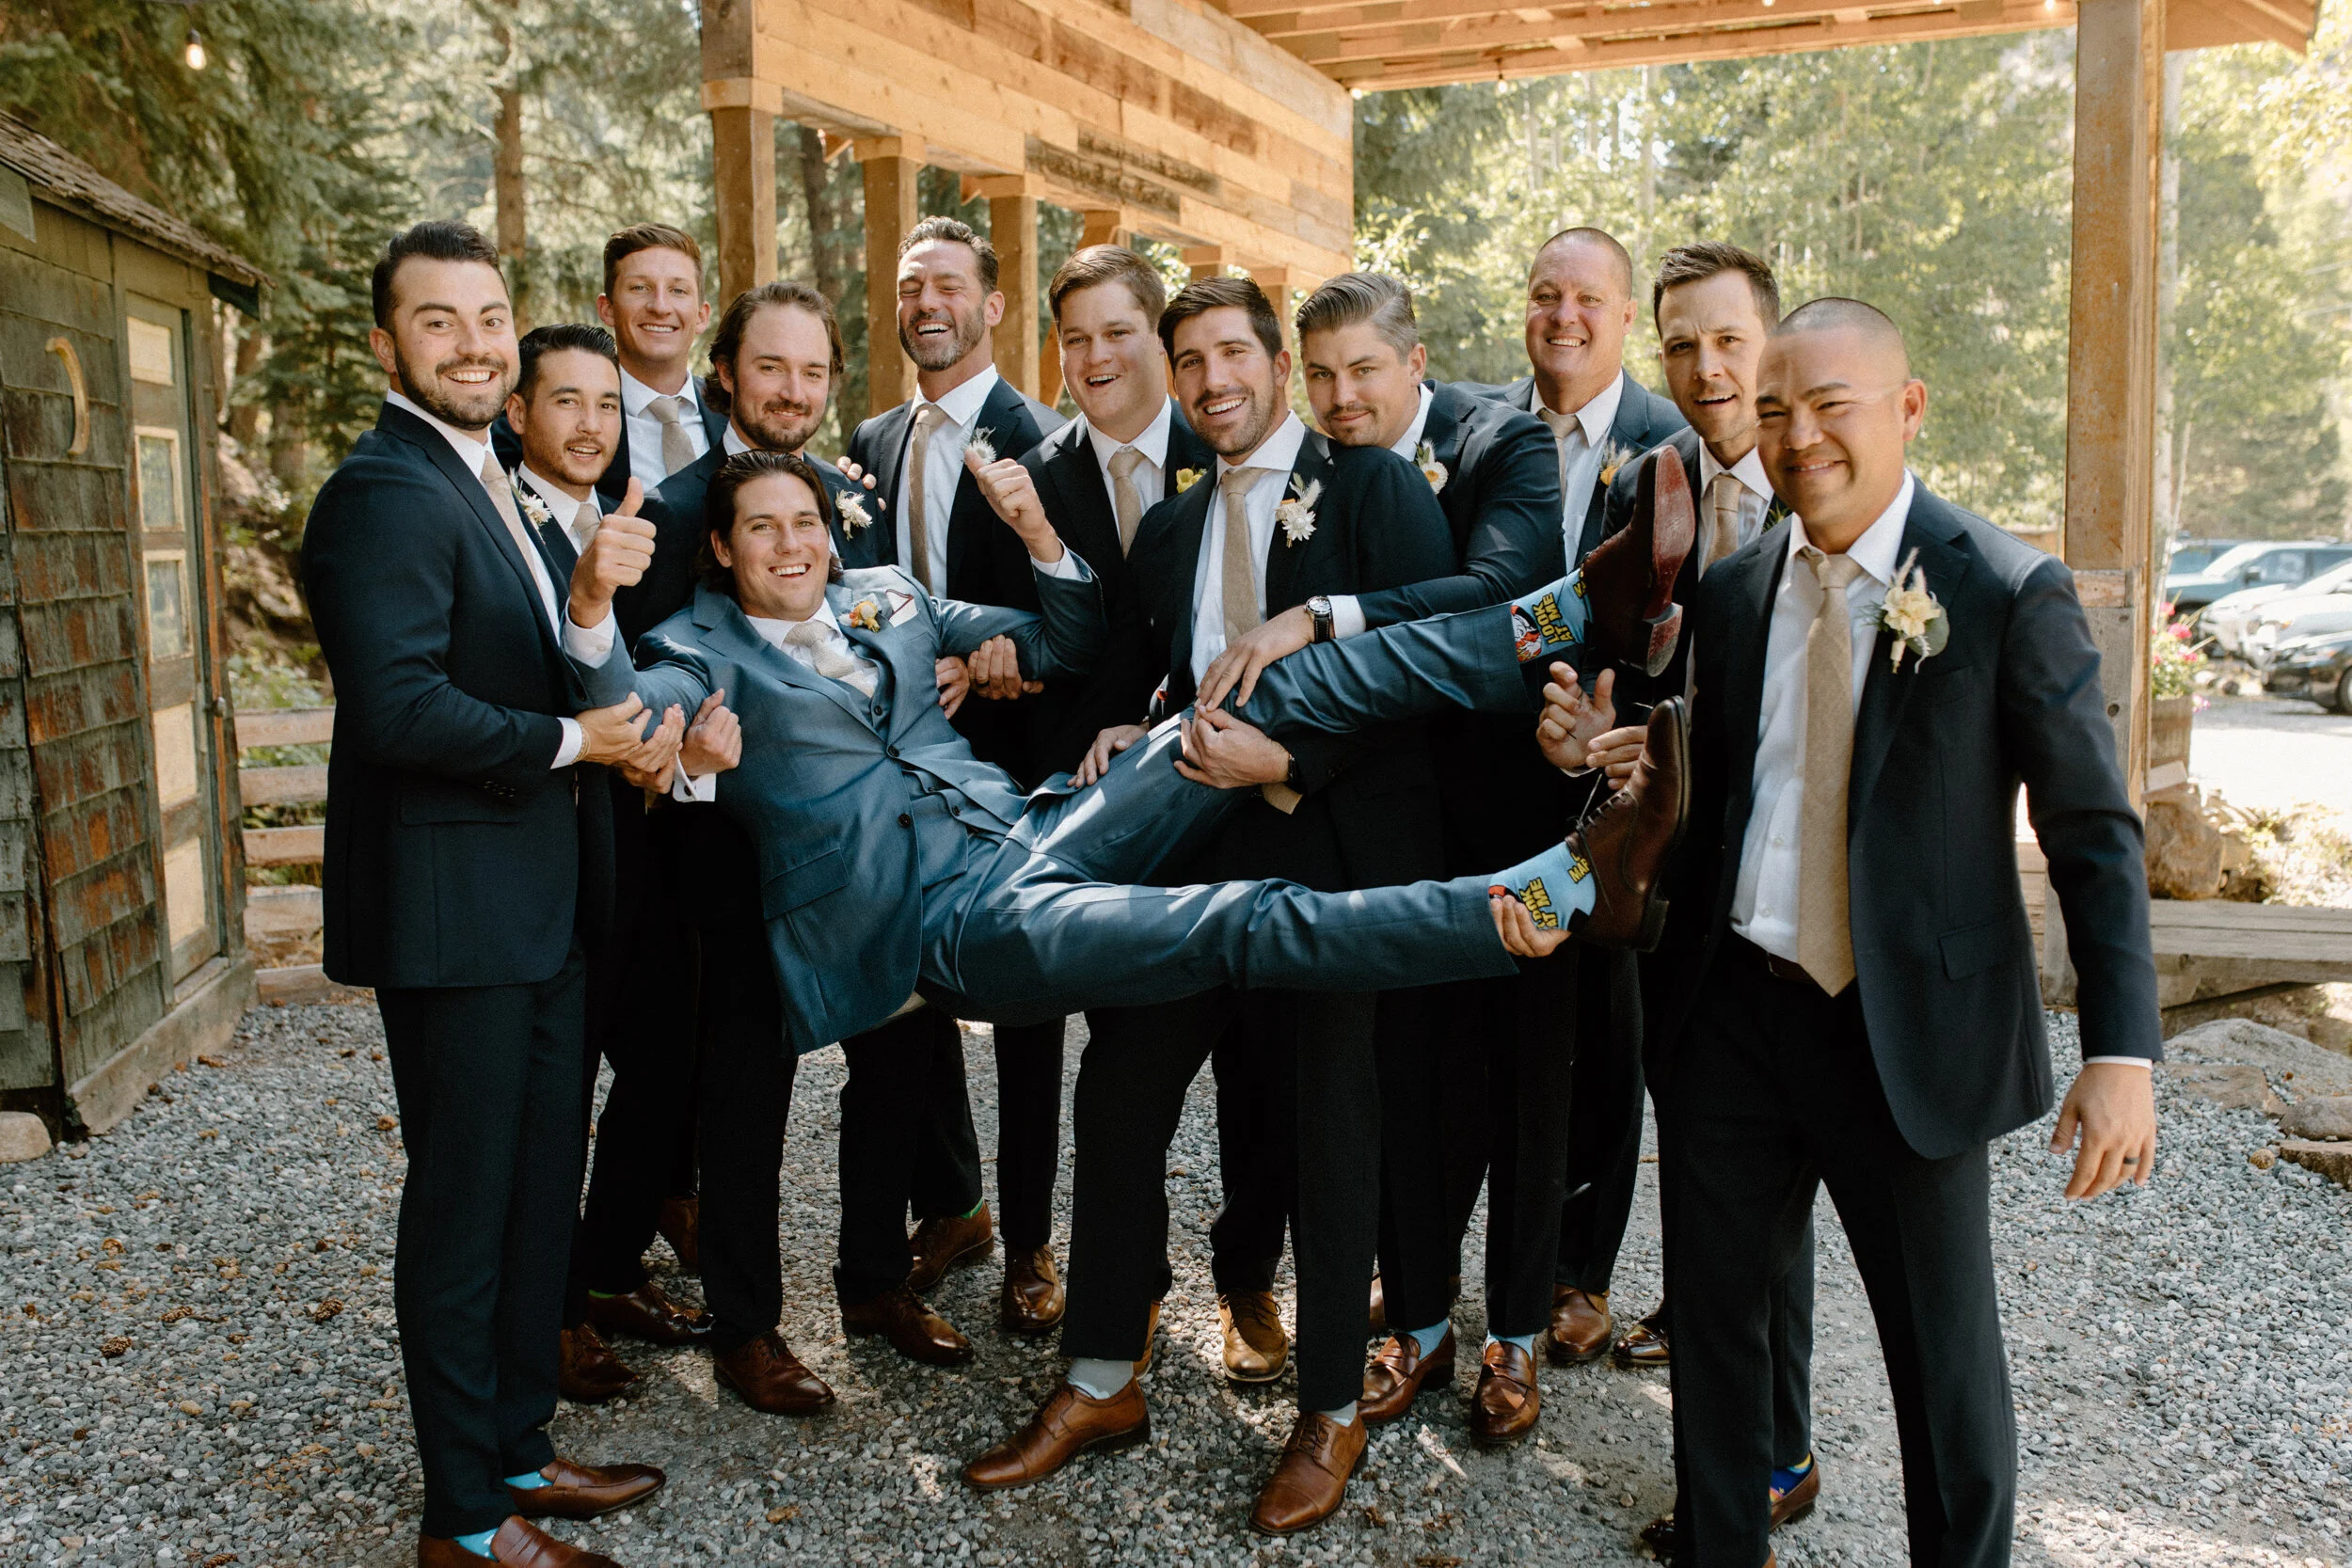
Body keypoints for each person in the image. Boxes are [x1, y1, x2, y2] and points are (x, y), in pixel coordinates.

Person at [1571, 297, 2160, 1568]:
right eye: (1775, 411)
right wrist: (1622, 771)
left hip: (1905, 1032)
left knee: (1941, 1365)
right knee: (1718, 1337)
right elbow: (1729, 787)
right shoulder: (1735, 589)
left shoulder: (2003, 588)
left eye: (1830, 405)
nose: (1800, 437)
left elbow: (2093, 832)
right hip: (1730, 1014)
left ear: (1908, 407)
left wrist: (2123, 1050)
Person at [304, 219, 670, 1568]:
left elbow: (526, 657)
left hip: (538, 909)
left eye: (489, 316)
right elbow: (399, 708)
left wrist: (589, 613)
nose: (471, 343)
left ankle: (518, 1446)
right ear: (385, 343)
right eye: (438, 319)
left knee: (532, 1195)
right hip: (455, 916)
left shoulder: (490, 481)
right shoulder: (382, 492)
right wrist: (579, 741)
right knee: (465, 1213)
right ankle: (463, 1516)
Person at [1204, 270, 1570, 1446]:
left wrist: (1325, 618)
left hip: (1517, 800)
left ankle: (1516, 1330)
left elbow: (1502, 595)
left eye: (1363, 369)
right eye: (1319, 375)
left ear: (1415, 361)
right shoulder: (1316, 474)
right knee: (1408, 1067)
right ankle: (1415, 1316)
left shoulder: (1502, 443)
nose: (1341, 395)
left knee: (1526, 1076)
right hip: (1390, 813)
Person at [940, 245, 1217, 1337]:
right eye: (1074, 339)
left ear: (1159, 337)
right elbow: (983, 625)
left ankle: (1181, 1272)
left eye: (1117, 332)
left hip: (1193, 789)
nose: (1094, 356)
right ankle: (1027, 1245)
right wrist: (998, 660)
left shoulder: (1220, 449)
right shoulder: (1020, 474)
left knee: (1150, 1047)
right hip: (1051, 785)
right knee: (1029, 1030)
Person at [1591, 244, 1821, 1557]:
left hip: (1799, 902)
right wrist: (1593, 725)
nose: (1705, 367)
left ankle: (1780, 1450)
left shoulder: (1826, 484)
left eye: (1727, 339)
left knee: (1783, 1197)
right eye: (1680, 343)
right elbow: (1614, 652)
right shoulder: (1650, 482)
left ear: (1770, 344)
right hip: (1679, 893)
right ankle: (1734, 1472)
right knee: (1709, 1187)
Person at [1468, 225, 1691, 1367]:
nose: (1563, 316)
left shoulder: (1672, 446)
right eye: (1544, 294)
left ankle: (1576, 1271)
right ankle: (1443, 1253)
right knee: (1470, 1023)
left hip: (1614, 777)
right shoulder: (1476, 429)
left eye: (1587, 299)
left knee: (1604, 1037)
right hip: (1483, 768)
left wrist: (1631, 735)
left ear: (1624, 318)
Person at [845, 214, 1071, 1325]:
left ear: (991, 305)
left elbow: (1072, 609)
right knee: (901, 994)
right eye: (909, 286)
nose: (926, 303)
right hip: (890, 770)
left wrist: (988, 662)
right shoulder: (869, 440)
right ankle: (951, 1201)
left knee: (1025, 1006)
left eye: (946, 285)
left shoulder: (1049, 444)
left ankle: (1029, 1241)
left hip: (1010, 761)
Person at [502, 323, 726, 1405]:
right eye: (566, 401)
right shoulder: (502, 523)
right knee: (553, 1098)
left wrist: (669, 746)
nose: (591, 423)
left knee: (667, 1056)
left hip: (639, 838)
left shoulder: (634, 520)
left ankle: (605, 1267)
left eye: (605, 403)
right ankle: (547, 1319)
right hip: (542, 852)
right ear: (518, 414)